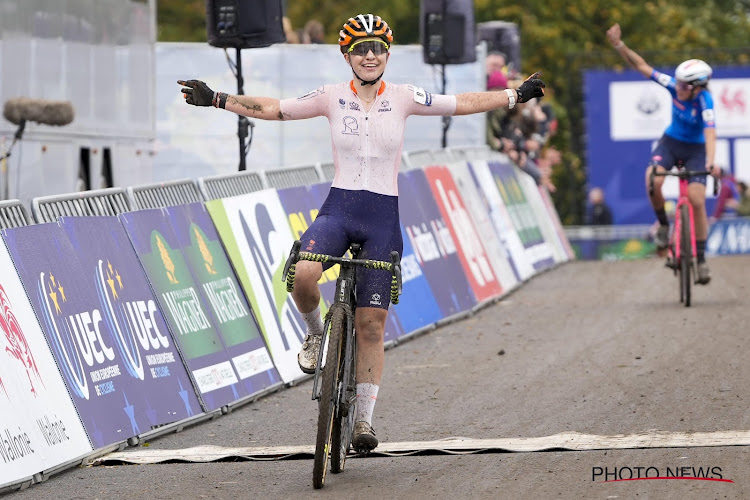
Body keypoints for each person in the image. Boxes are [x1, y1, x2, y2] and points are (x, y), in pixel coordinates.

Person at [178, 13, 545, 452]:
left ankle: (364, 423)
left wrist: (515, 95)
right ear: (347, 55)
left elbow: (460, 102)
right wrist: (217, 98)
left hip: (382, 218)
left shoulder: (406, 96)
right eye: (360, 48)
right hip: (340, 209)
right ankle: (316, 333)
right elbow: (275, 109)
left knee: (372, 325)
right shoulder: (331, 97)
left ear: (387, 54)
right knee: (304, 276)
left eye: (377, 48)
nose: (369, 55)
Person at [607, 23, 720, 284]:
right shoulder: (674, 85)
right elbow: (642, 66)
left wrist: (711, 163)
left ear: (698, 87)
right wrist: (619, 45)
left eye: (683, 86)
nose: (677, 88)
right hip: (670, 142)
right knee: (653, 179)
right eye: (678, 84)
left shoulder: (705, 102)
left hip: (696, 149)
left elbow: (711, 133)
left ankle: (701, 260)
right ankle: (664, 226)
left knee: (697, 199)